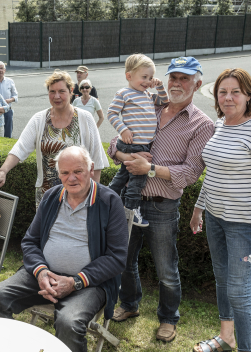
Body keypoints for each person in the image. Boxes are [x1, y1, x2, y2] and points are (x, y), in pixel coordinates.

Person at [107, 56, 214, 342]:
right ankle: (129, 305)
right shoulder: (148, 103)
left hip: (162, 207)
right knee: (124, 260)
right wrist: (125, 155)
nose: (177, 83)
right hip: (130, 200)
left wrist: (150, 169)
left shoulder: (201, 124)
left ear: (198, 83)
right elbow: (114, 143)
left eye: (185, 78)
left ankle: (168, 318)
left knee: (166, 268)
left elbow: (191, 173)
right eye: (173, 77)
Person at [0, 146, 128, 352]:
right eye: (65, 172)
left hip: (89, 284)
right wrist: (41, 271)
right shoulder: (52, 196)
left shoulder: (109, 201)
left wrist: (75, 281)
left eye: (78, 171)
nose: (71, 178)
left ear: (91, 169)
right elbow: (30, 241)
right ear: (58, 174)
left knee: (69, 322)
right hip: (43, 277)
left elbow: (117, 257)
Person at [190, 68, 251, 352]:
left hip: (243, 225)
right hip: (215, 218)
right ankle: (227, 337)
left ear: (248, 95)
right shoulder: (219, 126)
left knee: (240, 293)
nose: (228, 98)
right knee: (222, 280)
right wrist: (199, 208)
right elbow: (213, 174)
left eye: (235, 92)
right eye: (222, 92)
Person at [0, 70, 107, 207]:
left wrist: (94, 197)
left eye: (61, 91)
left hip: (80, 195)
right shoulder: (39, 119)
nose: (56, 96)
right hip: (47, 195)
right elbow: (20, 147)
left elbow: (97, 160)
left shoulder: (85, 118)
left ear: (71, 91)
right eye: (52, 91)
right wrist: (2, 171)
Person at [107, 54, 169, 227]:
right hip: (132, 144)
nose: (148, 81)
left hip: (142, 145)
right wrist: (123, 129)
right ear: (129, 76)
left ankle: (107, 200)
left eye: (150, 77)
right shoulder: (124, 93)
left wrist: (160, 86)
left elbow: (164, 101)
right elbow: (111, 114)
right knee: (138, 180)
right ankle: (131, 210)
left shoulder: (148, 95)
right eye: (144, 77)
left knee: (123, 175)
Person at [0, 61, 18, 138]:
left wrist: (9, 100)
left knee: (8, 133)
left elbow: (15, 96)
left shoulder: (10, 81)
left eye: (1, 68)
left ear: (5, 70)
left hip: (8, 111)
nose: (0, 70)